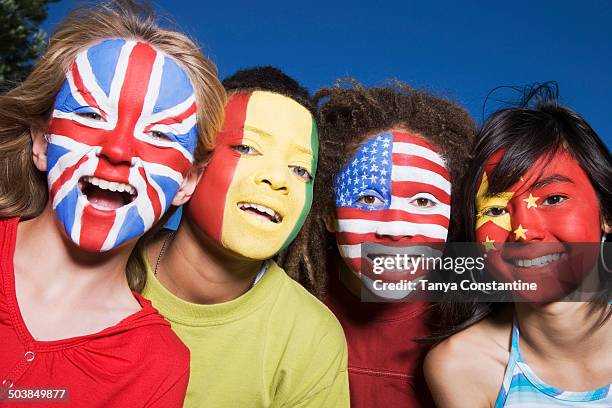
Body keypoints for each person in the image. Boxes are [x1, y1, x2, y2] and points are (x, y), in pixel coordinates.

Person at [0, 1, 225, 406]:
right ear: (41, 141)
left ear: (187, 180)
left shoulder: (157, 366)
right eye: (90, 114)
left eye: (160, 135)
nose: (119, 150)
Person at [131, 66, 349, 407]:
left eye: (300, 169)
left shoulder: (311, 335)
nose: (278, 179)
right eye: (247, 148)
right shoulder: (105, 268)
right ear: (192, 160)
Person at [281, 81, 475, 407]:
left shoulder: (475, 319)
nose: (396, 229)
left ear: (451, 216)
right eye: (368, 198)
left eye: (424, 202)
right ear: (329, 214)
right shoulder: (285, 311)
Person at [424, 85, 612, 407]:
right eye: (496, 210)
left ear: (607, 214)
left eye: (553, 199)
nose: (524, 233)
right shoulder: (462, 367)